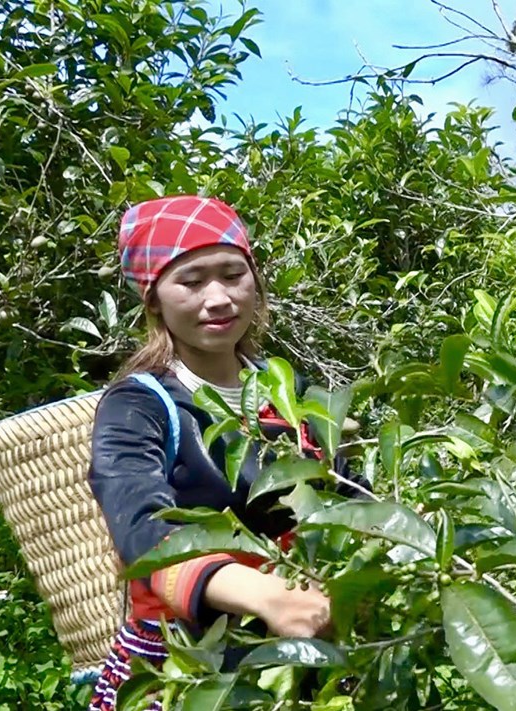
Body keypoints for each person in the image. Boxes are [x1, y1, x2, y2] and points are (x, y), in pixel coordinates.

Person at [87, 195, 332, 711]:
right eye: (192, 282)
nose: (218, 298)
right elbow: (142, 527)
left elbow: (343, 488)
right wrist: (264, 595)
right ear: (154, 300)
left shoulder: (282, 386)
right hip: (189, 664)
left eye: (233, 275)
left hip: (308, 645)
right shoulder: (138, 404)